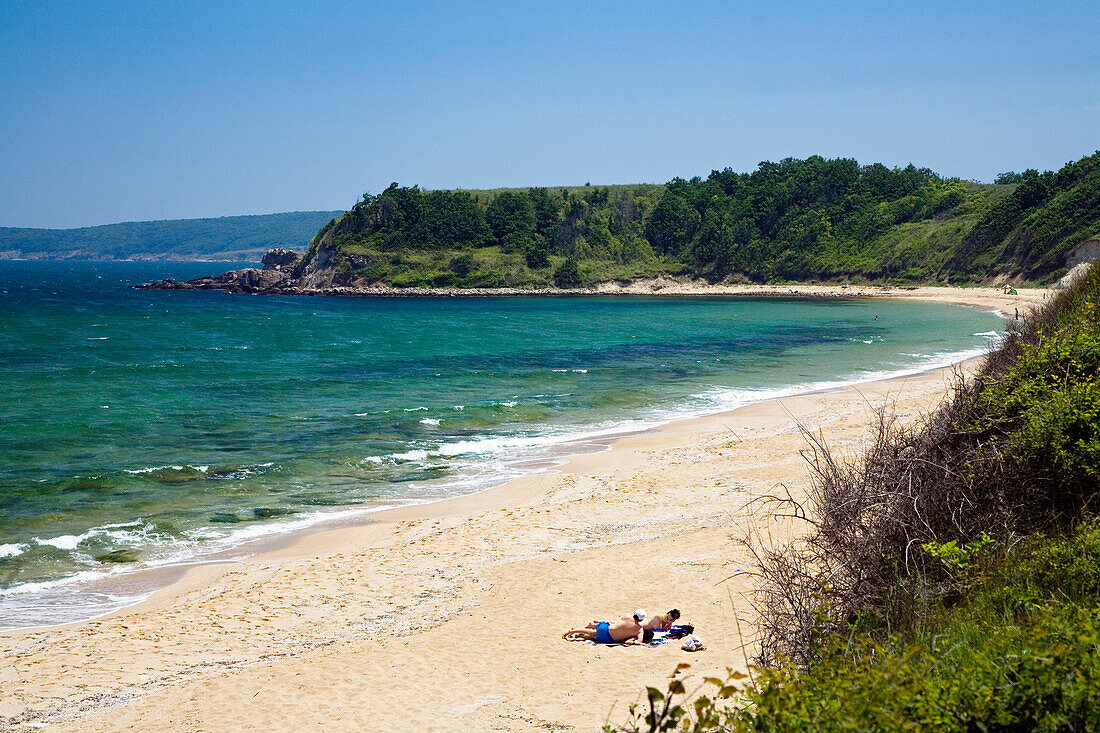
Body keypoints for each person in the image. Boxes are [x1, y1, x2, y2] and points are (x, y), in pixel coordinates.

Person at [563, 609, 647, 644]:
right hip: (610, 638)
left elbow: (617, 623)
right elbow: (639, 641)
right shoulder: (639, 630)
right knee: (593, 635)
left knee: (593, 632)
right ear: (641, 620)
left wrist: (602, 622)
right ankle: (581, 635)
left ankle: (572, 631)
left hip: (607, 628)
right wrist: (633, 639)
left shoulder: (627, 616)